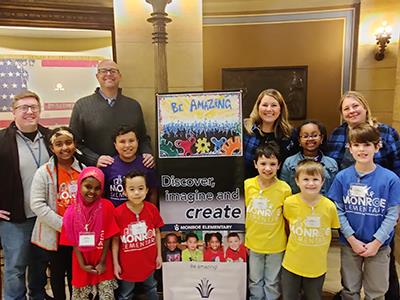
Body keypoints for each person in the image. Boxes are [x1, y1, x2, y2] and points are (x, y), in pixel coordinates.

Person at [326, 91, 400, 299]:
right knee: (350, 285)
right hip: (351, 225)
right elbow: (332, 171)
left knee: (379, 284)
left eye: (355, 106)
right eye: (346, 108)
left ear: (377, 146)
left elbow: (397, 167)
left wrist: (377, 240)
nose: (351, 111)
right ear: (350, 147)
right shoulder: (339, 136)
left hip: (379, 222)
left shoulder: (386, 133)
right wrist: (351, 237)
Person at [0, 91, 51, 300]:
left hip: (45, 217)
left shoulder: (51, 137)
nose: (30, 112)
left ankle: (38, 295)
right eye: (24, 108)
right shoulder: (2, 140)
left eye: (34, 107)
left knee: (40, 264)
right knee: (15, 268)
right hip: (15, 217)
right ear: (13, 112)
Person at [30, 126, 84, 300]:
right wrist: (64, 225)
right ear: (52, 148)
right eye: (58, 144)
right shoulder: (43, 173)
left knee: (76, 274)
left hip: (79, 235)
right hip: (56, 235)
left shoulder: (84, 170)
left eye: (68, 142)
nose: (64, 147)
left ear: (75, 144)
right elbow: (37, 204)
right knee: (57, 274)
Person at [69, 59, 154, 169]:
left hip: (131, 174)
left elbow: (142, 138)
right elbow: (74, 143)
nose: (108, 74)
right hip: (97, 175)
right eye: (104, 71)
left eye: (113, 71)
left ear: (120, 76)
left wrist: (147, 152)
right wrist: (94, 159)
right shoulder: (82, 106)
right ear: (97, 76)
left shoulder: (133, 106)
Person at [282, 160, 340, 300]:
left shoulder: (329, 206)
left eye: (315, 179)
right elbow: (286, 225)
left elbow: (332, 229)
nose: (311, 183)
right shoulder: (289, 203)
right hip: (292, 264)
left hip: (317, 266)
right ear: (297, 181)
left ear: (322, 181)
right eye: (306, 179)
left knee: (314, 296)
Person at [60, 167, 119, 299]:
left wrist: (102, 261)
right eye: (88, 186)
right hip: (81, 261)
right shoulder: (70, 212)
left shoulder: (107, 206)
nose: (92, 191)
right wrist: (82, 264)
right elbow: (73, 242)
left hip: (103, 259)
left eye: (97, 188)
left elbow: (108, 236)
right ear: (80, 185)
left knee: (107, 295)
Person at [244, 143, 292, 300]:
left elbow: (287, 218)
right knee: (255, 280)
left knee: (272, 281)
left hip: (276, 245)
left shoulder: (284, 189)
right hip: (253, 243)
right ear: (255, 164)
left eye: (272, 164)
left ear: (278, 165)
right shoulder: (247, 185)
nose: (267, 168)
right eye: (263, 163)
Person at [112, 170, 163, 300]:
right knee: (125, 294)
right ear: (124, 192)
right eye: (132, 189)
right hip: (127, 265)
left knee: (152, 287)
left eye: (141, 188)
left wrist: (159, 255)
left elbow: (157, 231)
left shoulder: (152, 209)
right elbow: (115, 240)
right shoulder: (117, 213)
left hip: (149, 261)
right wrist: (116, 263)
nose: (136, 192)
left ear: (146, 190)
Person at [243, 88, 298, 179]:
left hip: (280, 189)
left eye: (274, 105)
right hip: (247, 188)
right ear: (258, 107)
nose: (269, 109)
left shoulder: (290, 134)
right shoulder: (245, 129)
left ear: (281, 109)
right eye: (265, 105)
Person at [102, 126, 158, 207]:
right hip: (115, 216)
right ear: (115, 145)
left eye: (131, 141)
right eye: (122, 142)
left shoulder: (146, 164)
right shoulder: (108, 165)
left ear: (137, 142)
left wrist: (152, 212)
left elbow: (153, 192)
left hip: (140, 215)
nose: (127, 145)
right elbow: (102, 194)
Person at [280, 120, 338, 195]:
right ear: (299, 140)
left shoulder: (332, 164)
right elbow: (284, 189)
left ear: (322, 138)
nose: (310, 139)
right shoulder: (289, 162)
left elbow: (335, 192)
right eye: (305, 136)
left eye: (314, 135)